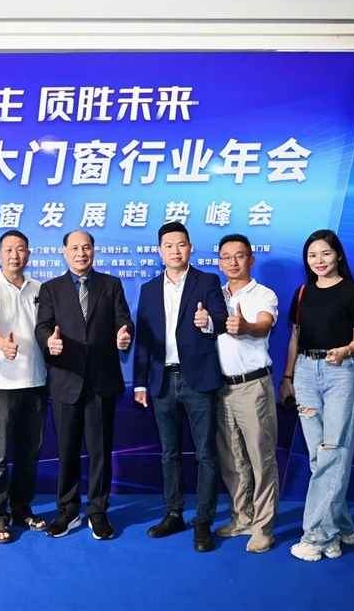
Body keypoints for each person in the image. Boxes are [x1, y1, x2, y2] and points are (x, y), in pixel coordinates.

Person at [133, 222, 228, 552]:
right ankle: (173, 513)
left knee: (205, 453)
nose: (175, 250)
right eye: (169, 245)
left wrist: (208, 322)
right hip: (161, 381)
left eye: (181, 244)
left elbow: (222, 318)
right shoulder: (148, 289)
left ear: (190, 248)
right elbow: (143, 340)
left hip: (198, 379)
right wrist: (139, 383)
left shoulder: (207, 281)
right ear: (160, 251)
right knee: (169, 453)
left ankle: (203, 520)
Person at [35, 230, 133, 540]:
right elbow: (42, 326)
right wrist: (48, 342)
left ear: (93, 251)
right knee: (67, 450)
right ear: (64, 252)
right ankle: (67, 510)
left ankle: (98, 510)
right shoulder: (51, 288)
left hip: (102, 382)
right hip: (66, 380)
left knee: (100, 450)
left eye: (86, 247)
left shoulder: (111, 285)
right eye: (75, 248)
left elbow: (123, 320)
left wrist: (124, 334)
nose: (81, 253)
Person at [279, 229, 354, 562]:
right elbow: (294, 338)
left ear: (338, 255)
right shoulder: (302, 293)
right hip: (305, 373)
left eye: (325, 253)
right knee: (320, 458)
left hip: (339, 373)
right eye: (312, 255)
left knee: (333, 451)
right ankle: (340, 528)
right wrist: (287, 377)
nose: (319, 260)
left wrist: (344, 350)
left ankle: (317, 537)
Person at [0, 230, 48, 543]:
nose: (15, 255)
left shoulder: (40, 289)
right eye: (8, 250)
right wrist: (2, 344)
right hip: (2, 385)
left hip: (36, 382)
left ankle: (22, 509)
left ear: (28, 253)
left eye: (20, 249)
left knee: (30, 453)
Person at [213, 233, 280, 554]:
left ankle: (263, 528)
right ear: (219, 262)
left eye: (239, 256)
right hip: (220, 388)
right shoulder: (213, 295)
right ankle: (242, 518)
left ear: (251, 259)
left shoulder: (264, 294)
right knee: (232, 459)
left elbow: (264, 324)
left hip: (253, 387)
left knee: (260, 459)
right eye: (226, 257)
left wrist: (246, 326)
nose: (233, 262)